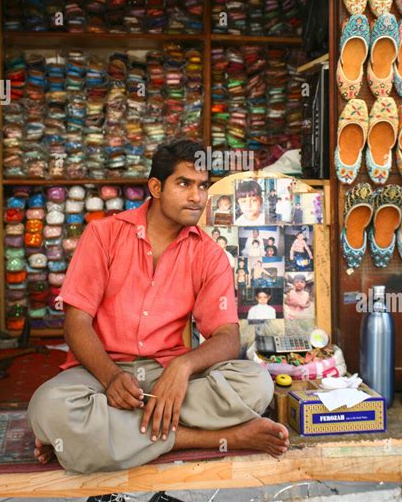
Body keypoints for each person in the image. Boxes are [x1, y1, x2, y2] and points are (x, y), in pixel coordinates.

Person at [27, 139, 289, 480]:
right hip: (98, 375)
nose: (197, 196)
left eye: (203, 186)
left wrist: (181, 368)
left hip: (168, 377)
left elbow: (227, 337)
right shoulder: (103, 235)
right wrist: (110, 378)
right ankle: (217, 437)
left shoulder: (209, 255)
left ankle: (102, 435)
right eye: (184, 184)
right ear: (156, 187)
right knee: (49, 408)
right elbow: (76, 322)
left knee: (256, 384)